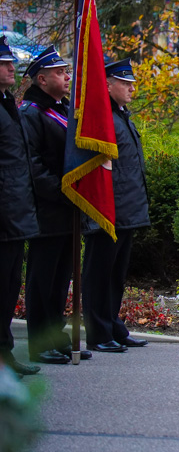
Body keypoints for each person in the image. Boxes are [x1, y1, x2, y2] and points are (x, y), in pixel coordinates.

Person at [19, 47, 93, 364]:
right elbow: (33, 167)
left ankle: (55, 335)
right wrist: (66, 193)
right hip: (46, 210)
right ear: (42, 78)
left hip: (66, 210)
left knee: (61, 278)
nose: (67, 77)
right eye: (60, 72)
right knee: (43, 278)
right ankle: (39, 341)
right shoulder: (31, 113)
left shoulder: (61, 110)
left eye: (67, 71)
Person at [82, 59, 150, 353]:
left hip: (126, 209)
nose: (131, 88)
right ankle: (98, 333)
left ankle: (112, 326)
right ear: (107, 84)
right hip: (106, 210)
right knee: (99, 274)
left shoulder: (121, 116)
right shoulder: (101, 119)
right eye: (124, 83)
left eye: (132, 83)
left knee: (115, 275)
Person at [0, 36, 40, 376]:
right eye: (4, 63)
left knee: (9, 284)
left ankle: (4, 353)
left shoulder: (7, 103)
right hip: (3, 213)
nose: (12, 67)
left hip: (13, 212)